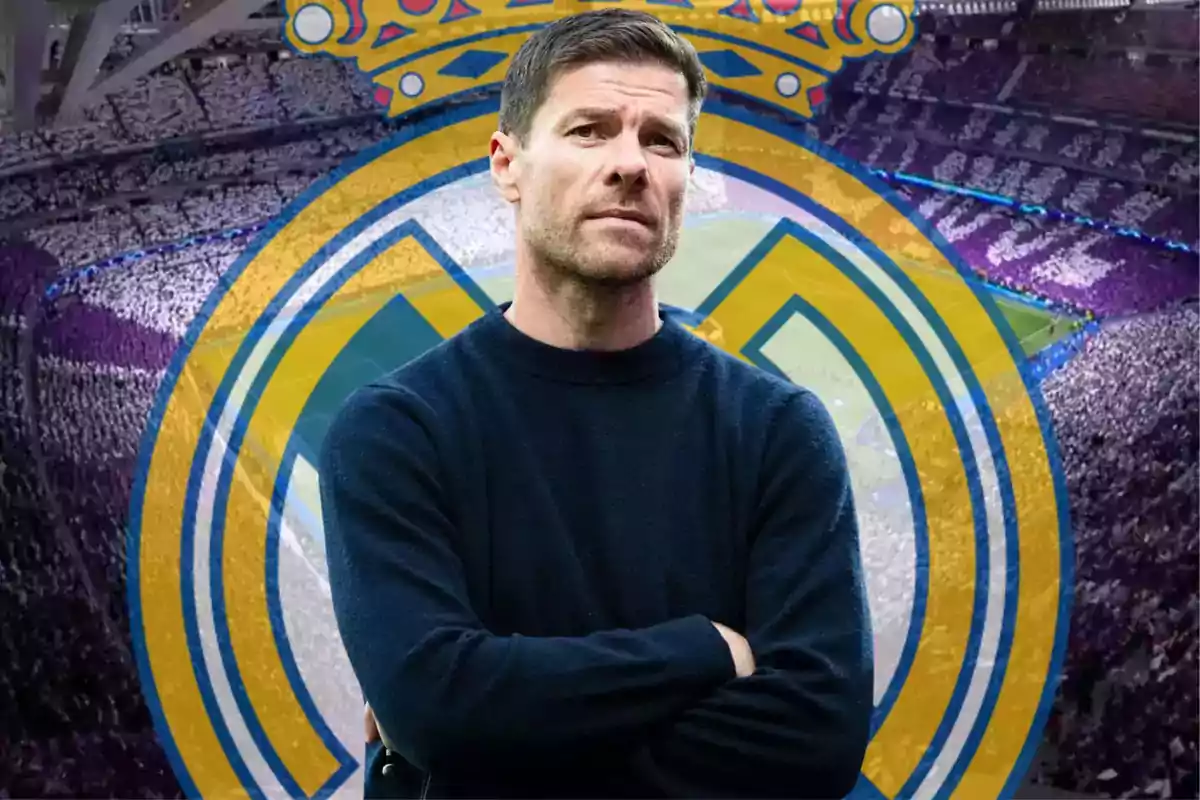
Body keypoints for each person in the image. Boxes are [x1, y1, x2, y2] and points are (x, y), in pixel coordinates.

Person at [319, 8, 874, 798]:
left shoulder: (777, 430)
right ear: (507, 165)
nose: (630, 164)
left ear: (687, 176)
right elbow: (437, 707)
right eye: (589, 131)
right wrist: (705, 651)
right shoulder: (397, 429)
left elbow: (816, 739)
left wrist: (496, 742)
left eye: (663, 141)